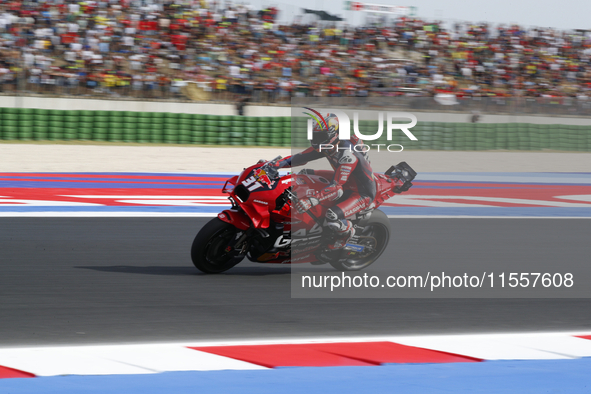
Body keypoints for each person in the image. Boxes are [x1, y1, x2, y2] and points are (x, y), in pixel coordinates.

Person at [275, 113, 376, 250]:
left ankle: (345, 236)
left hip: (360, 191)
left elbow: (336, 188)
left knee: (332, 216)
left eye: (320, 136)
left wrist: (311, 200)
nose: (316, 140)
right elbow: (299, 158)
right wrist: (274, 164)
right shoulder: (328, 145)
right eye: (314, 136)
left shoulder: (348, 154)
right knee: (305, 174)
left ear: (335, 134)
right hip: (343, 178)